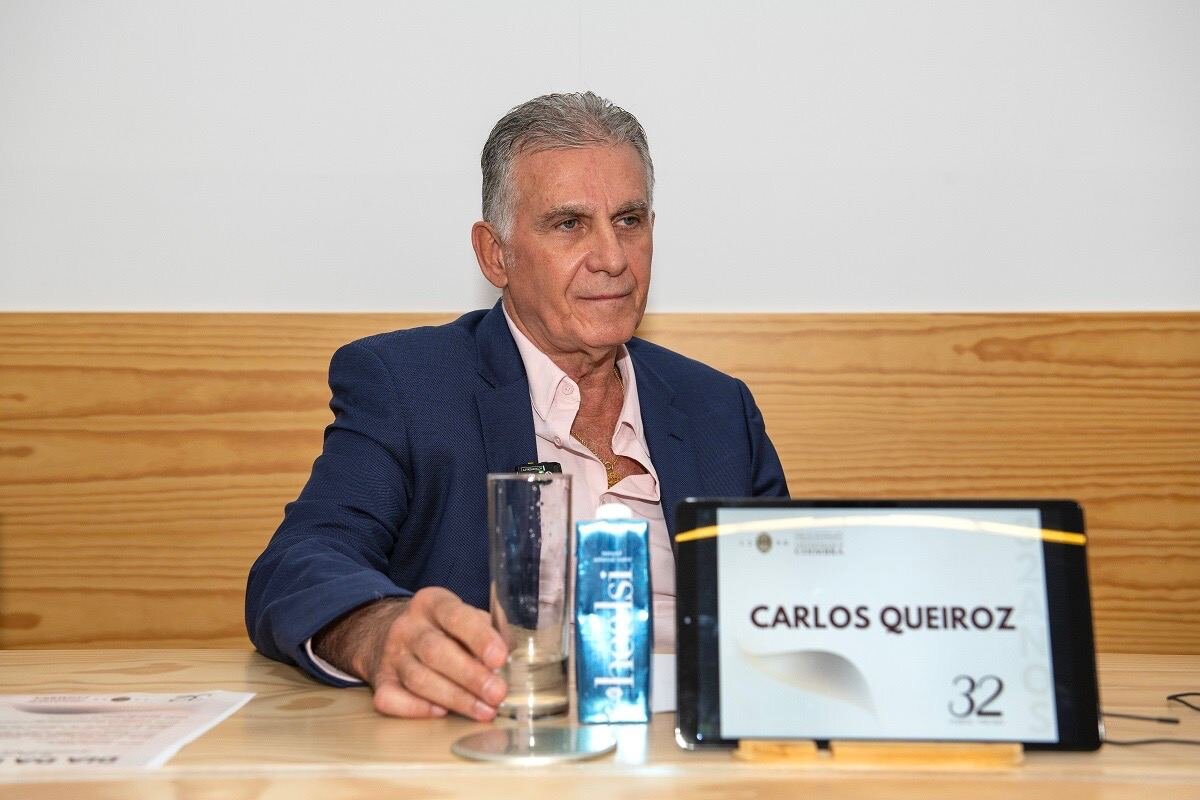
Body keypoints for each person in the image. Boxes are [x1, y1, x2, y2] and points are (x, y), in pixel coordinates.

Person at [245, 91, 788, 723]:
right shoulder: (410, 385)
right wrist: (376, 631)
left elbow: (795, 602)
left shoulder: (718, 408)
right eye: (569, 224)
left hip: (699, 746)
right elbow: (297, 565)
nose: (613, 258)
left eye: (629, 220)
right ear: (494, 254)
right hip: (501, 738)